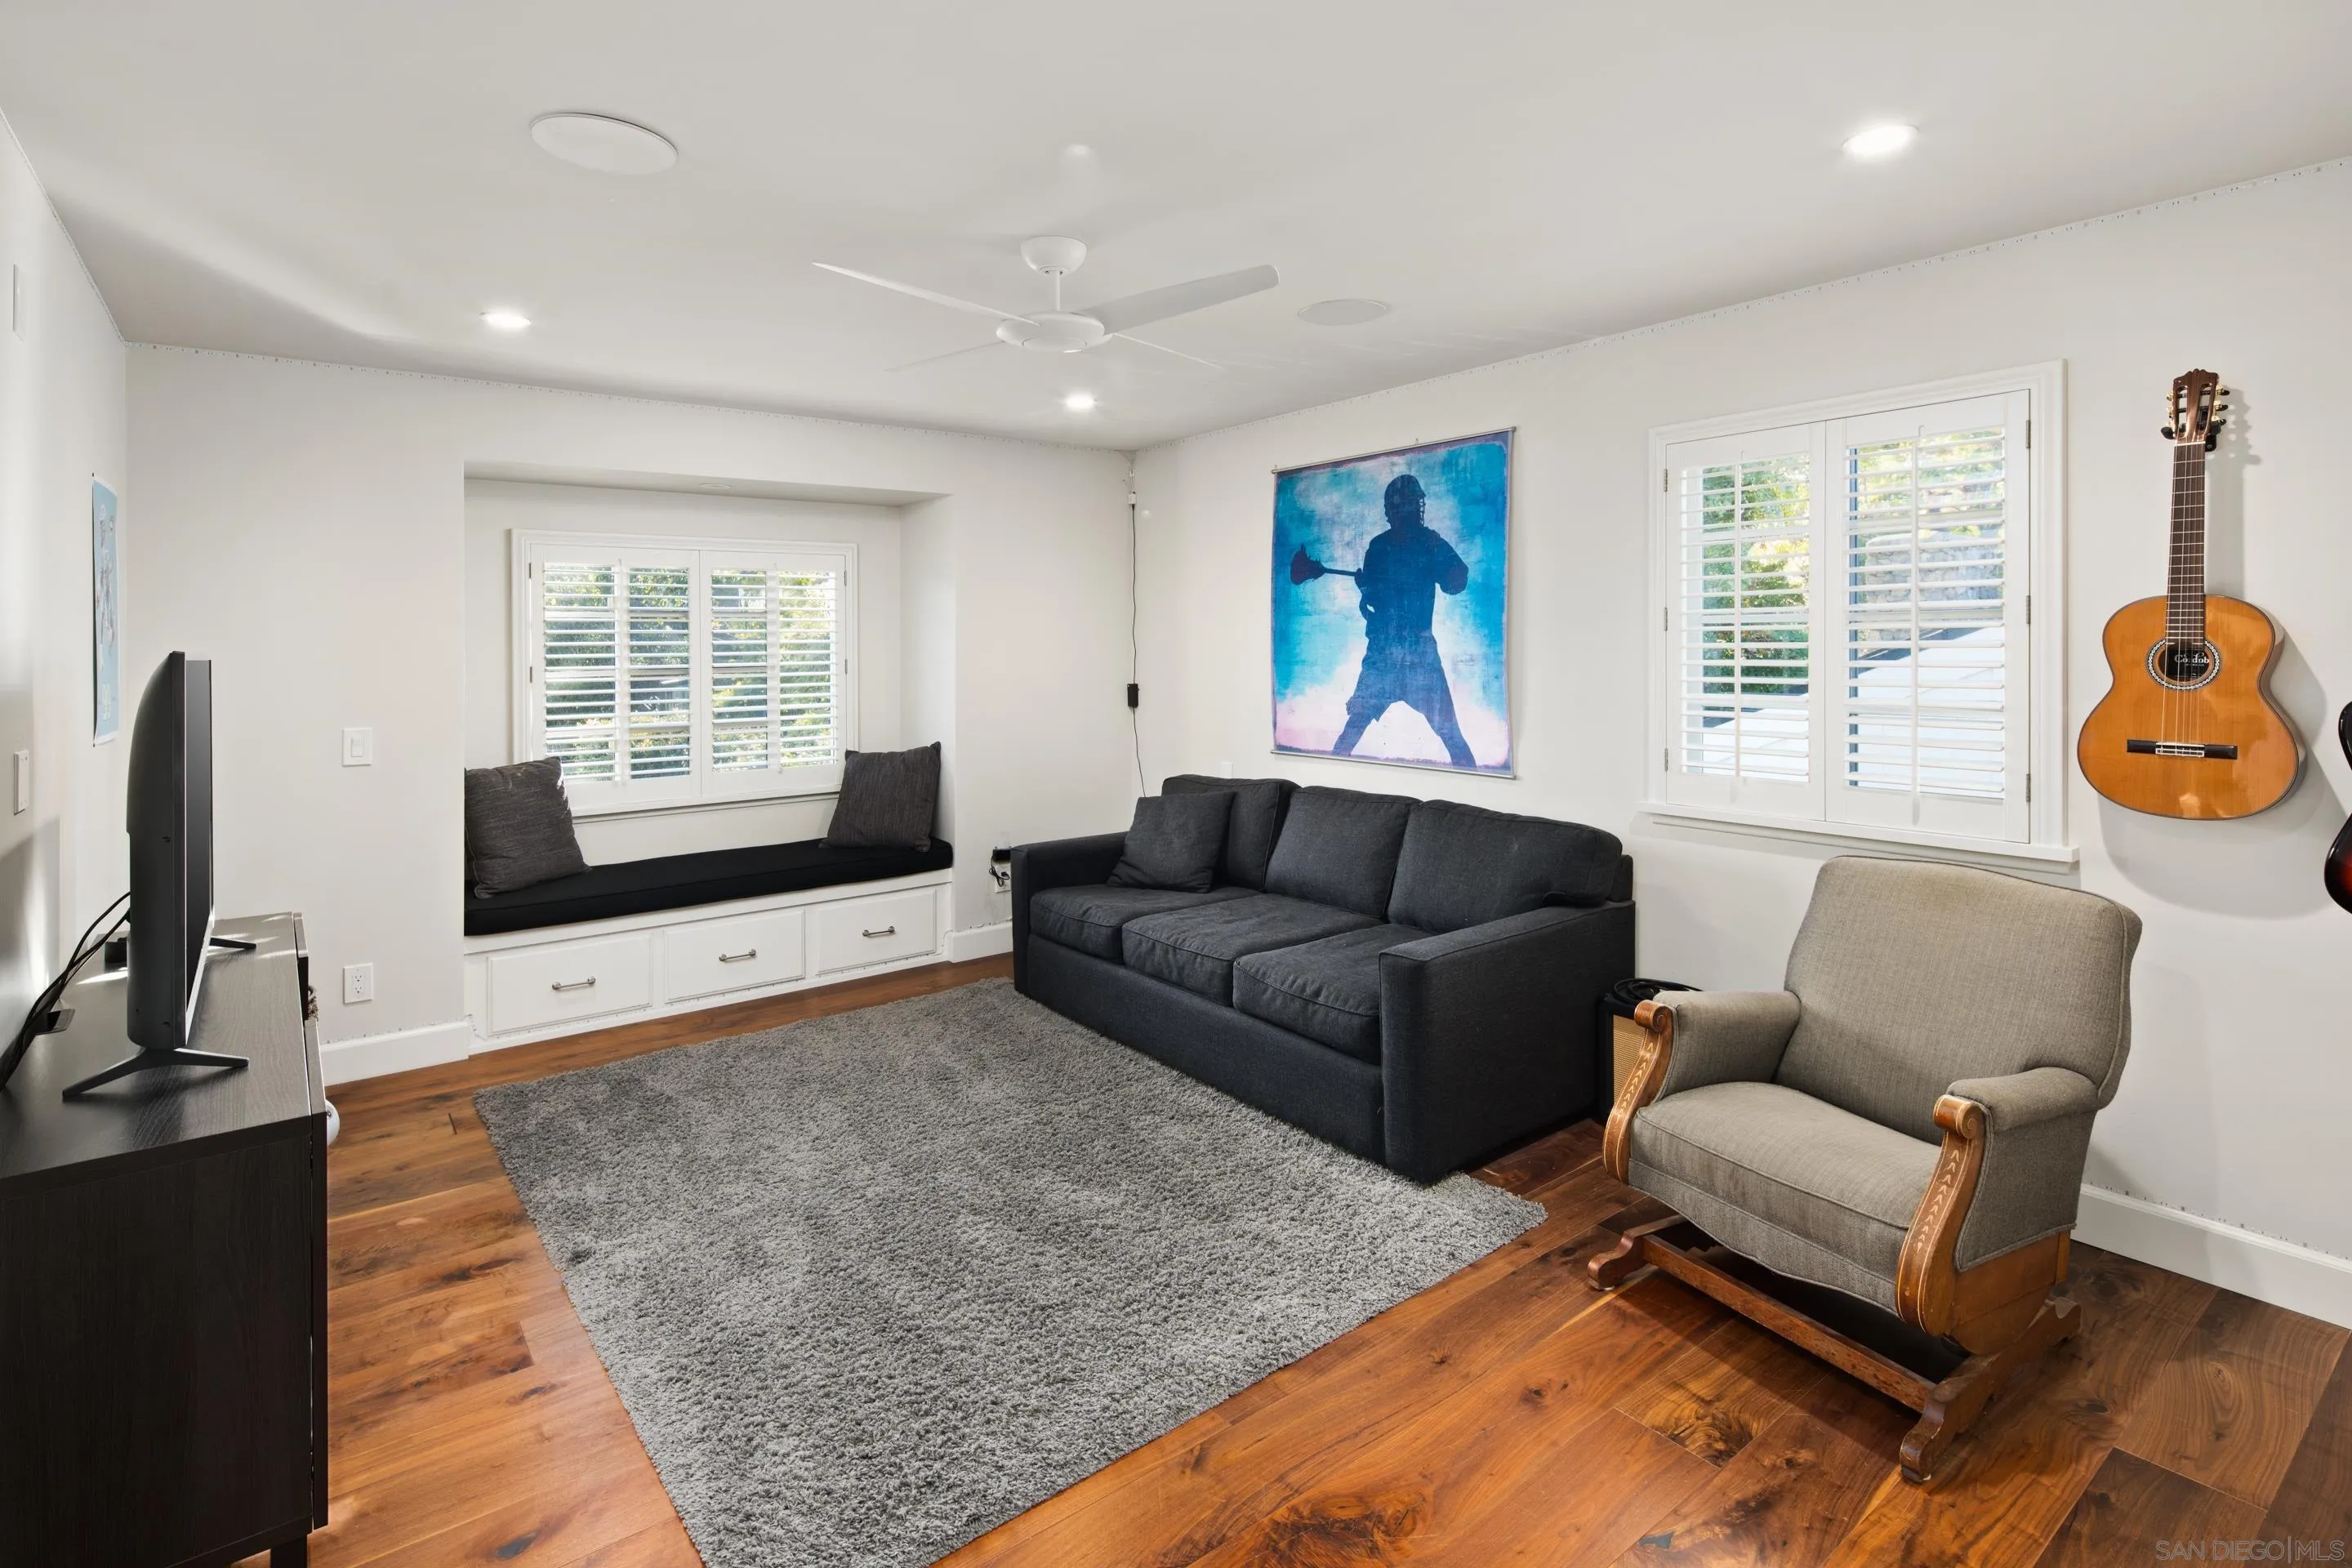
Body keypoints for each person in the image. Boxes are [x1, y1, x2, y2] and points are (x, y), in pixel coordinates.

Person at [1331, 473, 1477, 768]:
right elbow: (1454, 581)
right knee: (1450, 735)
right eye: (1410, 504)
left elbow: (1456, 580)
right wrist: (1368, 588)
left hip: (1401, 653)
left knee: (1356, 727)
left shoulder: (1416, 543)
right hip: (1400, 653)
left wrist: (1368, 588)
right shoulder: (1409, 544)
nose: (1412, 511)